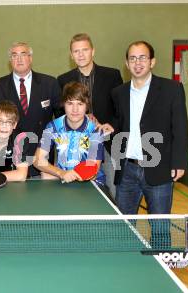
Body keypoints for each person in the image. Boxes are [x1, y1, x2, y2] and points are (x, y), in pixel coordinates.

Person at [111, 40, 188, 216]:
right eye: (133, 58)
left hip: (159, 169)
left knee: (160, 229)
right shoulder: (118, 93)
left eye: (142, 58)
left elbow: (180, 128)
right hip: (127, 171)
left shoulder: (172, 89)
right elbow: (119, 126)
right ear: (126, 63)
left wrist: (179, 162)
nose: (137, 63)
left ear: (152, 61)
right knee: (124, 228)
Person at [57, 33, 123, 196]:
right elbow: (60, 110)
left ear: (93, 51)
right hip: (77, 144)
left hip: (107, 143)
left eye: (84, 50)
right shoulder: (63, 79)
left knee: (114, 190)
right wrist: (83, 118)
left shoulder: (112, 75)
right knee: (76, 192)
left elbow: (121, 108)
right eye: (76, 51)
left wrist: (111, 125)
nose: (81, 54)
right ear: (71, 55)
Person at [0, 42, 62, 140]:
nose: (19, 59)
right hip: (10, 149)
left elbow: (61, 116)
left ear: (30, 58)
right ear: (10, 61)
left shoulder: (49, 83)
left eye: (23, 54)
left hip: (42, 148)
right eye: (14, 55)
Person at [34, 82, 105, 185]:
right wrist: (60, 173)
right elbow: (38, 160)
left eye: (80, 104)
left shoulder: (95, 130)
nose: (75, 109)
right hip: (63, 181)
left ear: (87, 106)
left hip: (91, 184)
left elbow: (93, 169)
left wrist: (53, 175)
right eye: (70, 103)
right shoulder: (53, 126)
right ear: (63, 104)